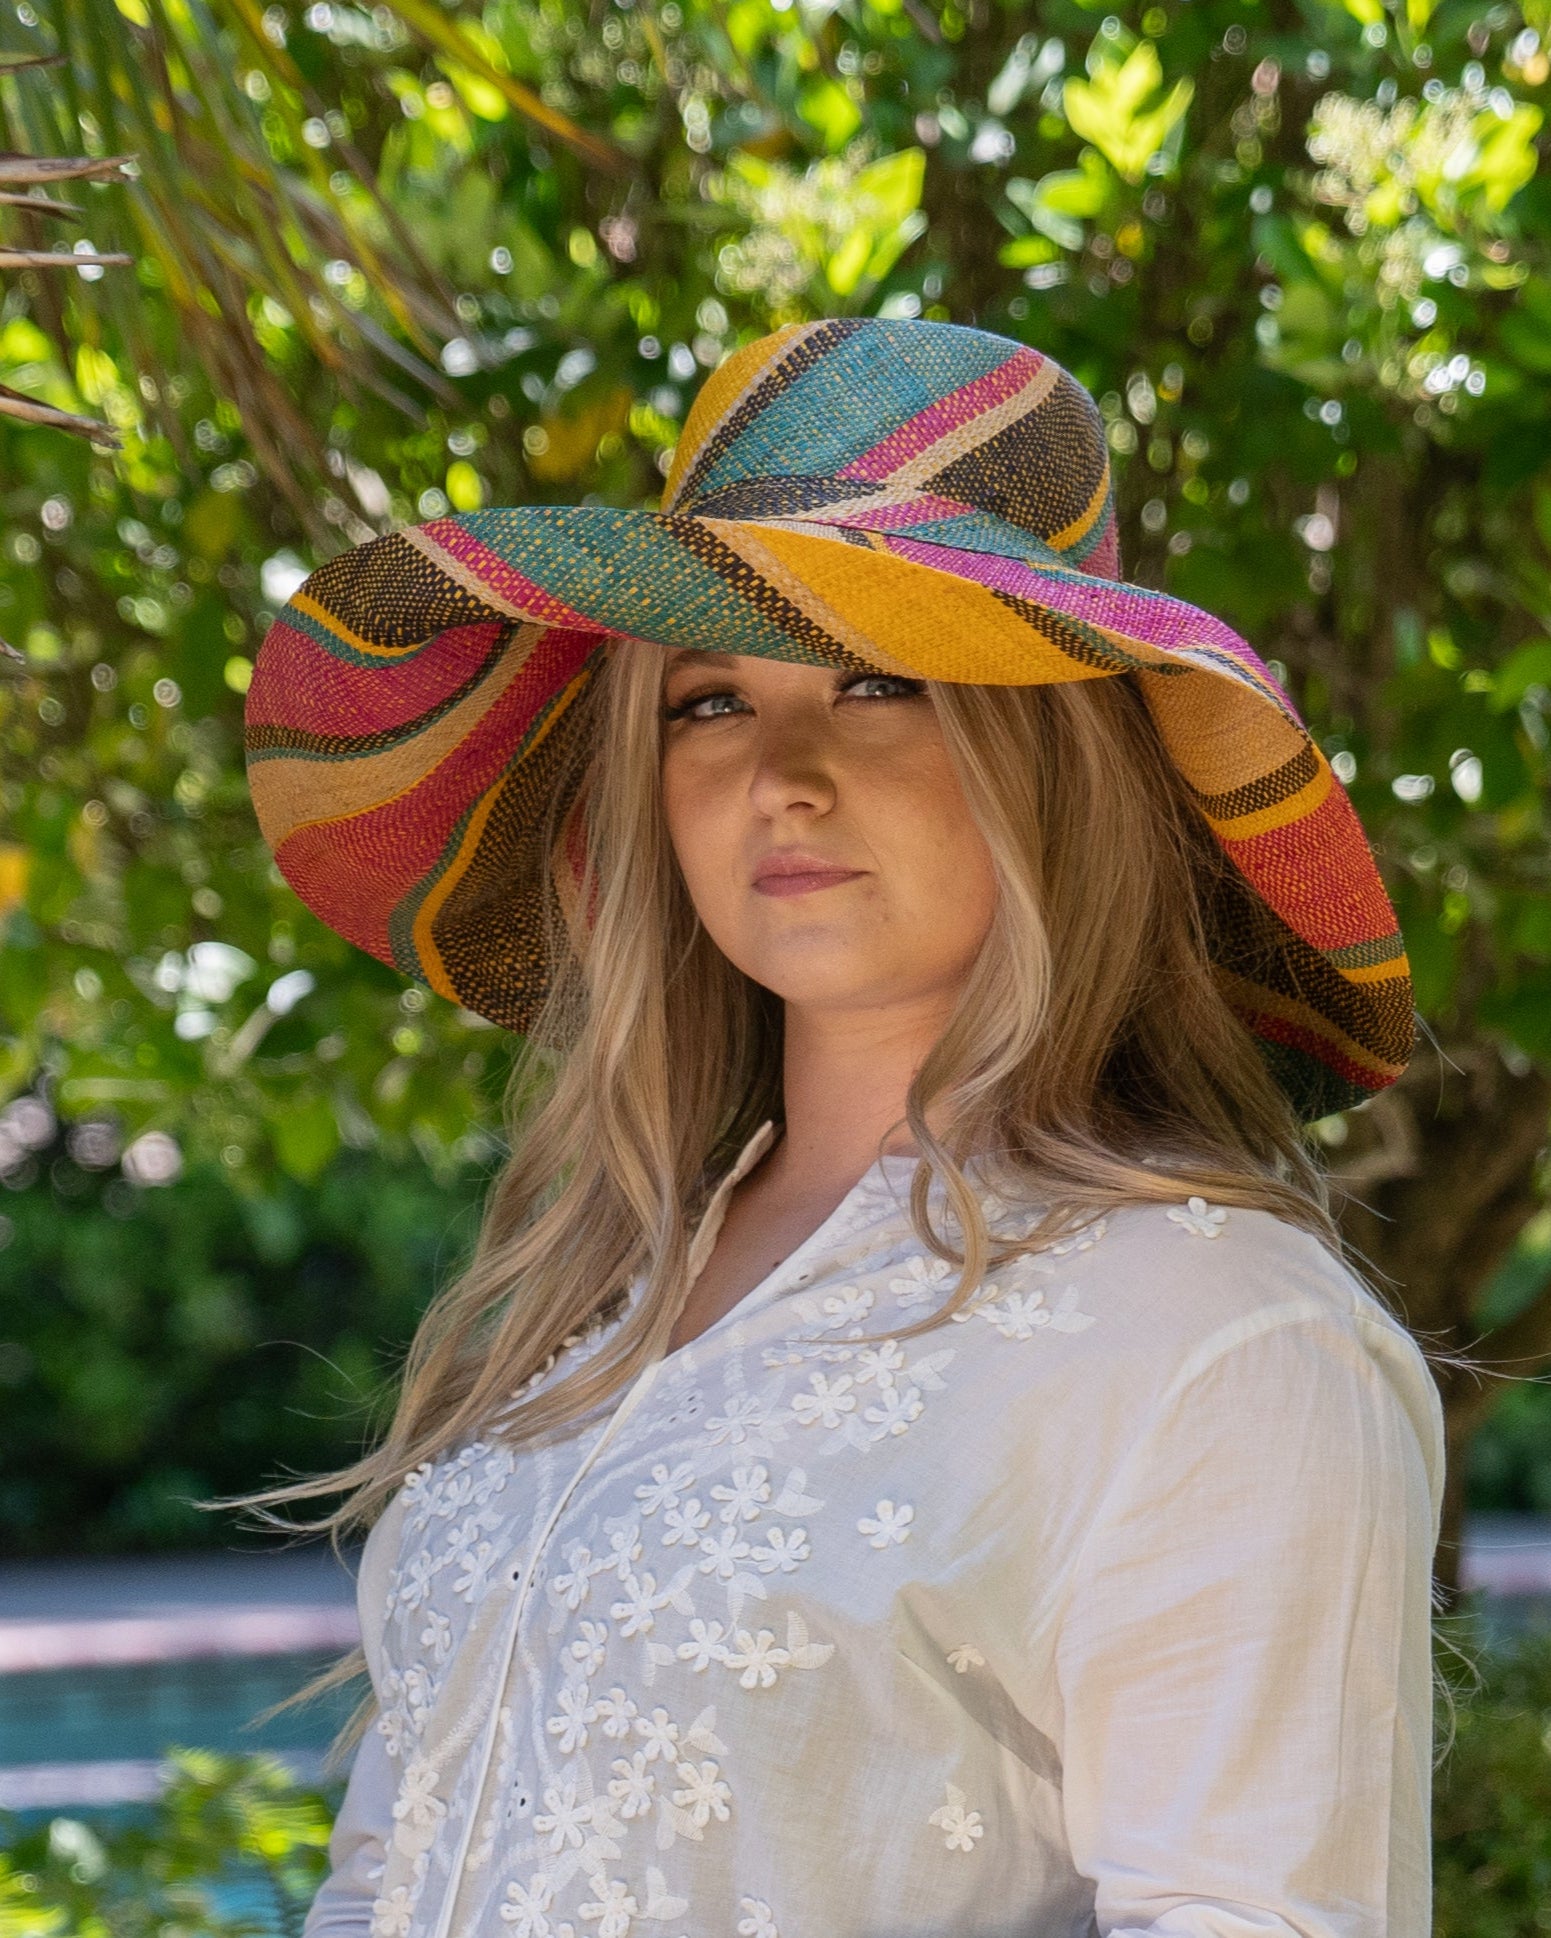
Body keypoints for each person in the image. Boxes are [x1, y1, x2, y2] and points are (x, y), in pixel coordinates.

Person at [241, 317, 1443, 1938]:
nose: (782, 778)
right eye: (710, 704)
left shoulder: (1220, 1337)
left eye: (880, 683)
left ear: (1053, 757)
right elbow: (385, 1878)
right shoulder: (595, 1288)